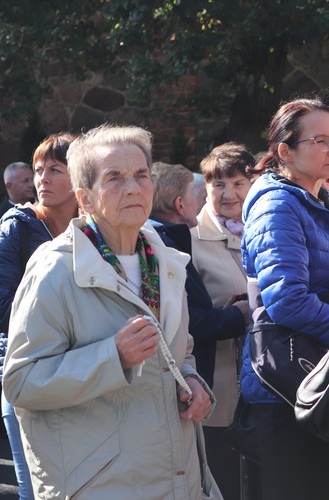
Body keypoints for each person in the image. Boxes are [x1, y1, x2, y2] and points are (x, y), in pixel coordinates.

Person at [3, 125, 214, 498]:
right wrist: (111, 357)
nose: (133, 187)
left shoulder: (165, 261)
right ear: (84, 198)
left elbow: (179, 351)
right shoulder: (54, 270)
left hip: (176, 479)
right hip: (100, 486)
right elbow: (21, 382)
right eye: (114, 178)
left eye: (141, 175)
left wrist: (191, 381)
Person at [240, 98, 329, 499]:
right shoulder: (277, 204)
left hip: (312, 383)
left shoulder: (313, 202)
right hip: (288, 387)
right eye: (321, 140)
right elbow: (288, 300)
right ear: (284, 151)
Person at [151, 161, 252, 499]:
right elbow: (183, 318)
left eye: (239, 183)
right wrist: (236, 316)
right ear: (182, 204)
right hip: (205, 387)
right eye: (209, 189)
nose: (226, 195)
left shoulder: (172, 237)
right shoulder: (175, 243)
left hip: (219, 383)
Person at [0, 132, 78, 500]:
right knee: (39, 491)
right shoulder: (16, 228)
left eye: (55, 169)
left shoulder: (98, 229)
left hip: (86, 373)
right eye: (38, 169)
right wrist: (70, 319)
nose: (42, 178)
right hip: (29, 374)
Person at [0, 161, 35, 240]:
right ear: (9, 186)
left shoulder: (41, 210)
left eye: (32, 179)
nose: (31, 184)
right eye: (25, 181)